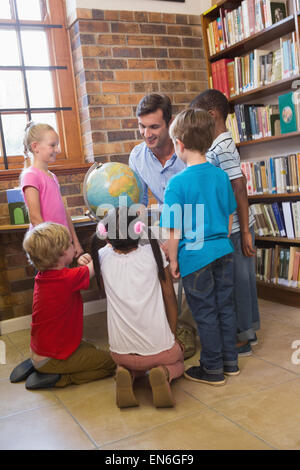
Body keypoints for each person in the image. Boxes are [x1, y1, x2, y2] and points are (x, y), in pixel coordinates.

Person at [160, 108, 239, 385]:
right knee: (225, 308)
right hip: (224, 251)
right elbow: (229, 215)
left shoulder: (176, 184)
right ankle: (231, 363)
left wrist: (173, 261)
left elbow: (174, 230)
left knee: (204, 312)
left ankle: (213, 369)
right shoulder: (220, 176)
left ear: (179, 145)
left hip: (195, 257)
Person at [82, 206, 185, 408]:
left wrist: (81, 258)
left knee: (133, 360)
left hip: (120, 353)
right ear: (139, 230)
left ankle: (126, 372)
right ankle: (163, 374)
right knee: (178, 357)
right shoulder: (153, 254)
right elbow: (170, 299)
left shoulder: (101, 256)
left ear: (106, 237)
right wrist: (171, 334)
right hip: (159, 350)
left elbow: (83, 275)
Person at [189, 89, 260, 356]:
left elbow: (239, 188)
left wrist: (244, 233)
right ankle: (244, 332)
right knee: (235, 280)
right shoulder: (216, 146)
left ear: (211, 115)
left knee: (239, 281)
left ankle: (243, 336)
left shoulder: (223, 145)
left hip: (237, 228)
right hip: (228, 227)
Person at [10, 222, 116, 389]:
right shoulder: (66, 279)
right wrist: (110, 246)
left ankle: (42, 366)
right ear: (60, 253)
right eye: (69, 243)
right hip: (52, 358)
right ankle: (61, 378)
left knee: (90, 347)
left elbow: (76, 274)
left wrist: (81, 261)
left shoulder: (45, 276)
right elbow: (96, 264)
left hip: (42, 351)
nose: (73, 245)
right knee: (110, 363)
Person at [20, 122, 83, 257]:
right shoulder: (31, 176)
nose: (58, 150)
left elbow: (63, 212)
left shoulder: (52, 176)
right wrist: (55, 247)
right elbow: (36, 218)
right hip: (48, 248)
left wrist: (75, 242)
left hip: (62, 245)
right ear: (35, 147)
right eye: (52, 145)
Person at [129, 93, 185, 208]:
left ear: (170, 124)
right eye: (142, 126)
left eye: (154, 127)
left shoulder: (190, 149)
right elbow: (139, 205)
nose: (147, 134)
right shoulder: (137, 157)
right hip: (168, 223)